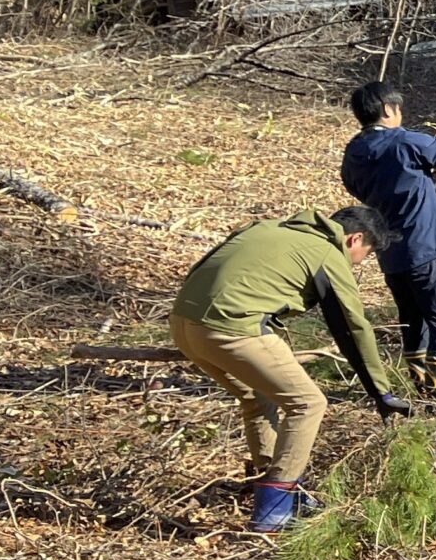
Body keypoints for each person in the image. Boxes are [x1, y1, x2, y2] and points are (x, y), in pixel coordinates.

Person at [170, 206, 412, 532]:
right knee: (308, 403)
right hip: (232, 328)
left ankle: (271, 484)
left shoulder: (268, 227)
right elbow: (353, 327)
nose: (358, 263)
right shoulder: (327, 252)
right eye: (365, 255)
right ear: (354, 239)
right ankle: (275, 509)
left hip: (184, 324)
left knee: (259, 398)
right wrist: (380, 391)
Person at [339, 80, 436, 402]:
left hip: (390, 252)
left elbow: (354, 185)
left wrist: (413, 180)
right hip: (426, 248)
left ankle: (421, 389)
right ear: (388, 109)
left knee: (413, 321)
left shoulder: (355, 152)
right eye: (398, 108)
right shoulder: (405, 141)